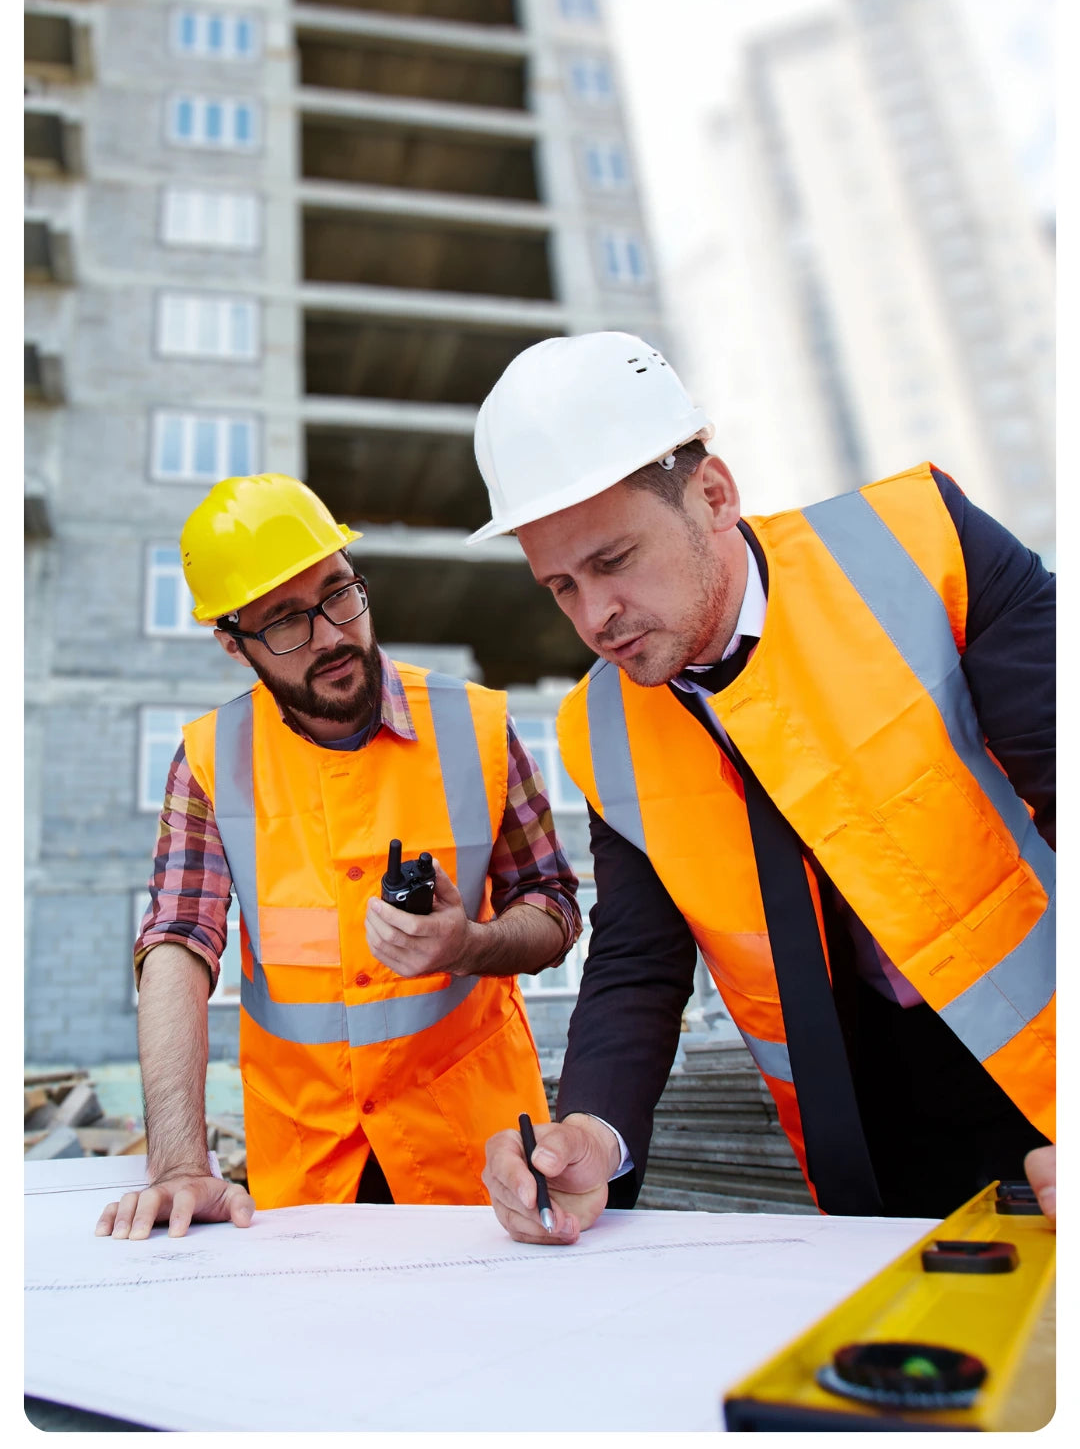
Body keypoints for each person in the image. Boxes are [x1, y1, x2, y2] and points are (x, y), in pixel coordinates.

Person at [471, 332, 1056, 1243]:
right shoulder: (604, 726)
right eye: (560, 586)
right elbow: (636, 959)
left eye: (614, 561)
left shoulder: (921, 544)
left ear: (713, 496)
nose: (595, 618)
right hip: (869, 1137)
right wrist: (590, 1130)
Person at [97, 473, 580, 1240]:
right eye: (285, 622)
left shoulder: (478, 728)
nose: (331, 635)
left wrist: (473, 944)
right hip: (309, 1176)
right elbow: (177, 944)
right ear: (232, 642)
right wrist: (180, 1163)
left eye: (338, 594)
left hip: (481, 1167)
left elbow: (554, 906)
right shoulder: (210, 760)